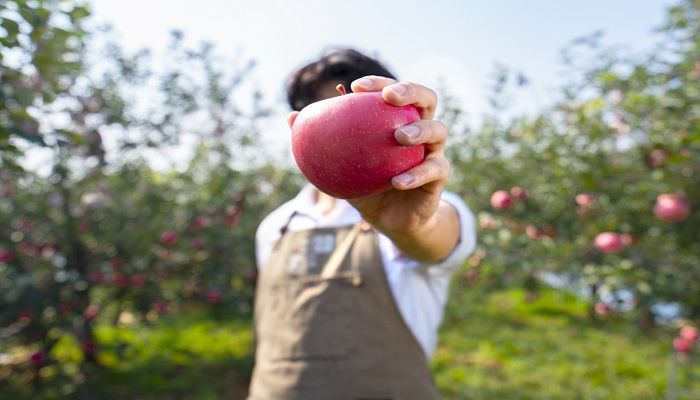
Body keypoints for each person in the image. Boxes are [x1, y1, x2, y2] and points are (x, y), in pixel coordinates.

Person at [248, 48, 476, 400]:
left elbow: (432, 235)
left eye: (355, 105)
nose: (339, 129)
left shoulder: (427, 206)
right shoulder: (276, 226)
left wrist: (410, 227)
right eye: (313, 107)